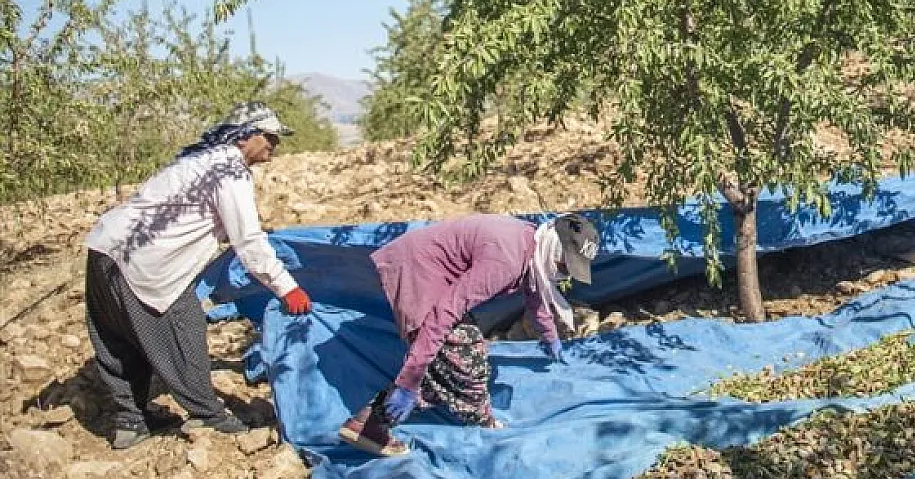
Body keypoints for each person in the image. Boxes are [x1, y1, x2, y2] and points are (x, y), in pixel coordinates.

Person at [84, 102, 311, 450]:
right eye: (269, 137)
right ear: (246, 135)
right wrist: (287, 288)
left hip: (104, 249)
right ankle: (208, 416)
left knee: (120, 335)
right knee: (184, 325)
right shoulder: (229, 171)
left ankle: (131, 420)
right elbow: (248, 239)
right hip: (147, 263)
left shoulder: (198, 161)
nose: (274, 146)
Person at [338, 211, 601, 457]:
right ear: (554, 247)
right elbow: (444, 313)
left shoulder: (532, 247)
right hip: (417, 270)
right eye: (565, 266)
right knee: (466, 356)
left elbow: (534, 292)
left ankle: (367, 423)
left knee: (448, 358)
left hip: (432, 273)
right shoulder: (507, 260)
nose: (563, 273)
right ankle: (483, 426)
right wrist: (408, 382)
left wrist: (549, 335)